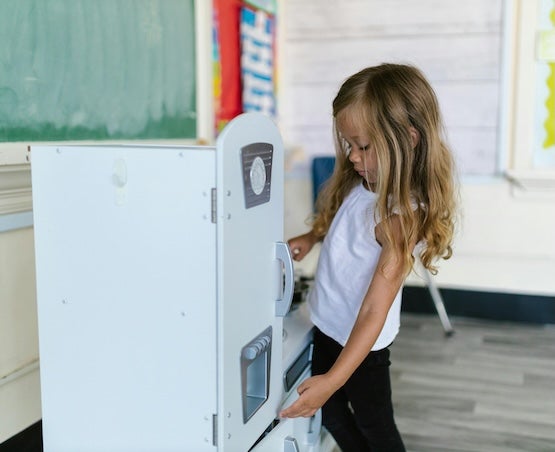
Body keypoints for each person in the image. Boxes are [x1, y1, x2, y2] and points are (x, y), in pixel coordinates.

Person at [279, 63, 458, 451]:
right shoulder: (364, 182)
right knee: (333, 417)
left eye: (364, 146)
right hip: (327, 322)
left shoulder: (399, 218)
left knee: (377, 429)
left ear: (407, 139)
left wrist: (334, 380)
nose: (354, 157)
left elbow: (374, 310)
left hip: (362, 348)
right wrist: (312, 236)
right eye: (349, 145)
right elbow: (344, 223)